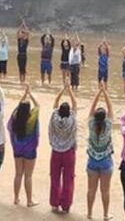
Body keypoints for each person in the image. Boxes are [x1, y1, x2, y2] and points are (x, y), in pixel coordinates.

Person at [9, 85, 40, 207]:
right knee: (28, 176)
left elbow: (18, 107)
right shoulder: (31, 120)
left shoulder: (16, 118)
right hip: (29, 151)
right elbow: (37, 106)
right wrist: (30, 94)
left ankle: (16, 198)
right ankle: (29, 201)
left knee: (18, 174)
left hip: (17, 149)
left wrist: (24, 95)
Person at [87, 83, 114, 221]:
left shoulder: (91, 125)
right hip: (106, 161)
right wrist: (105, 92)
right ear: (104, 118)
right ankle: (105, 214)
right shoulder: (108, 126)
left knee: (91, 189)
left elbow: (92, 108)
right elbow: (110, 108)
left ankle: (90, 213)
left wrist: (99, 92)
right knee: (105, 190)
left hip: (92, 160)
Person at [49, 82, 77, 213]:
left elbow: (55, 101)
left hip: (56, 151)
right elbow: (75, 104)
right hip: (68, 152)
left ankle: (54, 203)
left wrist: (63, 88)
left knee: (55, 177)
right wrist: (69, 89)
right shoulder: (71, 120)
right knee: (68, 179)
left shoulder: (55, 118)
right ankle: (66, 205)